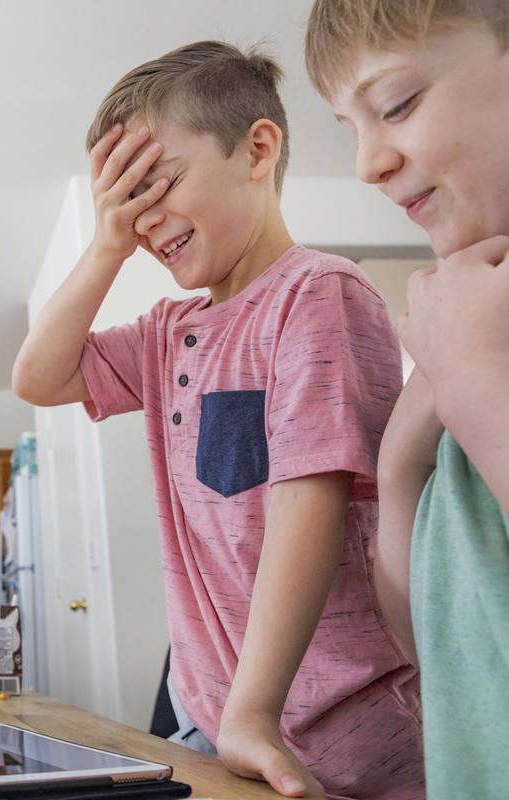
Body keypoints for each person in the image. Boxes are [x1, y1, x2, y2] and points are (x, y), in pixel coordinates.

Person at [12, 41, 423, 799]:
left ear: (257, 149)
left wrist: (255, 713)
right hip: (217, 716)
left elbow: (310, 502)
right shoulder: (169, 330)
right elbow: (38, 376)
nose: (142, 219)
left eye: (156, 181)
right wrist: (105, 243)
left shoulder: (319, 292)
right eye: (123, 199)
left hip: (335, 731)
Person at [305, 2, 509, 797]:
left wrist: (476, 386)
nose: (366, 163)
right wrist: (402, 460)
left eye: (395, 104)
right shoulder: (473, 325)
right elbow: (434, 645)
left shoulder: (475, 359)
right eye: (349, 127)